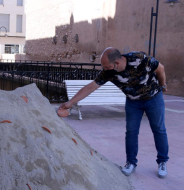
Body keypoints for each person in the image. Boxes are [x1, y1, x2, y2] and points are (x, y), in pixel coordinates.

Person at [59, 47, 169, 178]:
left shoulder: (140, 59)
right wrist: (70, 103)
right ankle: (131, 162)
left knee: (158, 129)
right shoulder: (108, 72)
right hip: (133, 102)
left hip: (153, 98)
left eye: (107, 66)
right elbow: (90, 87)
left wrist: (162, 85)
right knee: (131, 131)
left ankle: (162, 161)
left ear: (117, 63)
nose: (104, 69)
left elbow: (160, 69)